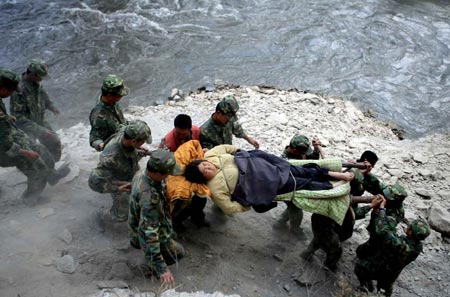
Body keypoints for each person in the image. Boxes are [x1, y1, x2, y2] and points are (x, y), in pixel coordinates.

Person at [184, 145, 354, 214]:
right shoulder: (214, 189)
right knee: (299, 183)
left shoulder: (210, 155)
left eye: (205, 165)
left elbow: (227, 147)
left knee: (300, 169)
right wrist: (246, 205)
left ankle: (333, 174)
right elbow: (228, 207)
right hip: (262, 183)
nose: (208, 167)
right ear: (202, 178)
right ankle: (330, 186)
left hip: (261, 163)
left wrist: (239, 152)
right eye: (205, 171)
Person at [0, 68, 69, 202]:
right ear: (2, 87)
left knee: (43, 151)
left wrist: (8, 118)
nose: (10, 94)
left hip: (13, 136)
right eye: (9, 91)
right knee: (37, 167)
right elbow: (5, 145)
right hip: (5, 150)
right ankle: (30, 198)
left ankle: (52, 176)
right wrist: (26, 153)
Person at [128, 149, 185, 286]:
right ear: (157, 173)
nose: (168, 176)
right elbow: (149, 234)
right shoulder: (149, 200)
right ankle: (152, 265)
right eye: (167, 174)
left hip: (141, 222)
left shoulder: (142, 173)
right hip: (143, 233)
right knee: (179, 253)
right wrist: (161, 268)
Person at [354, 197, 430, 296]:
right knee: (385, 288)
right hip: (393, 273)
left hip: (381, 267)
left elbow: (383, 231)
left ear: (411, 232)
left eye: (410, 226)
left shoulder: (398, 244)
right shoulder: (418, 247)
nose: (408, 226)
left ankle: (365, 287)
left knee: (359, 268)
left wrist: (381, 209)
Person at [89, 120, 152, 221]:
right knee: (122, 215)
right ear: (134, 141)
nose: (144, 143)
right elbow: (95, 181)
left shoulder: (127, 132)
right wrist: (117, 188)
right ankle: (103, 216)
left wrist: (137, 152)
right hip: (118, 181)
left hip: (129, 170)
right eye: (143, 141)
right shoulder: (111, 156)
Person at [10, 59, 63, 162]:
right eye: (40, 76)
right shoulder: (19, 90)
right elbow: (19, 119)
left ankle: (52, 166)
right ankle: (42, 173)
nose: (41, 79)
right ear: (33, 74)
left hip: (40, 120)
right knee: (34, 151)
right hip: (26, 127)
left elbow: (44, 98)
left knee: (54, 142)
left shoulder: (37, 84)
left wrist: (52, 107)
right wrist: (40, 130)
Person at [275, 134, 323, 235]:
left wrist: (316, 149)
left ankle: (279, 223)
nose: (304, 154)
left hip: (298, 183)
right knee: (296, 209)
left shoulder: (299, 153)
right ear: (294, 150)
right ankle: (295, 230)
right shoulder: (285, 161)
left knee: (293, 208)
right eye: (303, 152)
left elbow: (313, 160)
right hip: (289, 187)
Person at [356, 184, 408, 260]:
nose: (384, 196)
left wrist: (380, 210)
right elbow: (375, 183)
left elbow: (381, 231)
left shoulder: (395, 215)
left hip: (381, 235)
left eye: (387, 196)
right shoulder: (390, 198)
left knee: (363, 252)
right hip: (377, 228)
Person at [89, 74, 129, 151]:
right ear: (110, 95)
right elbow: (94, 139)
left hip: (122, 132)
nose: (121, 97)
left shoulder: (110, 101)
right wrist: (102, 145)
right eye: (119, 95)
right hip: (115, 146)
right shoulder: (98, 116)